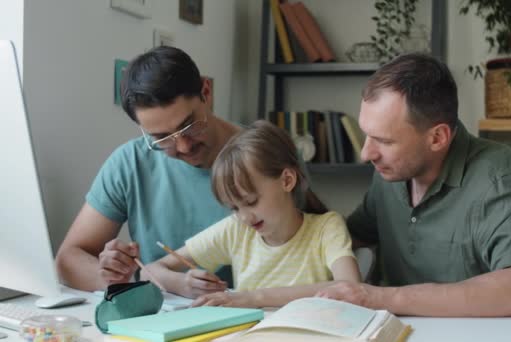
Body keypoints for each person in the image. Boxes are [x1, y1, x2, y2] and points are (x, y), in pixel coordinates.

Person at [316, 53, 511, 317]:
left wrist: (379, 297)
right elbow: (347, 237)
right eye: (367, 135)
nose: (366, 153)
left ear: (438, 137)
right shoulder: (389, 174)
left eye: (384, 141)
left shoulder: (502, 180)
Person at [55, 46, 241, 291]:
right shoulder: (130, 162)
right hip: (160, 315)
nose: (183, 146)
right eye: (163, 138)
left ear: (206, 92)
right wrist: (122, 279)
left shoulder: (265, 155)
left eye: (189, 126)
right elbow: (68, 260)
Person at [147, 120, 361, 307]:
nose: (244, 217)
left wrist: (253, 297)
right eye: (234, 208)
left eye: (251, 201)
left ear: (287, 180)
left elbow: (349, 286)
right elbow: (149, 270)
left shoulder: (326, 228)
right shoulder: (236, 230)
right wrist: (184, 284)